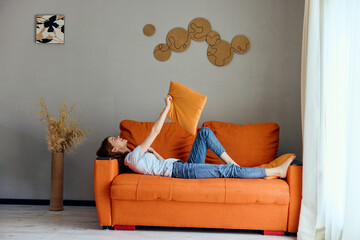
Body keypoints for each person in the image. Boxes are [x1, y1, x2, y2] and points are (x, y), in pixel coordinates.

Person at [96, 95, 296, 179]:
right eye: (115, 139)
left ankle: (232, 162)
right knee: (226, 172)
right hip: (181, 171)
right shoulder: (131, 158)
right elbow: (155, 132)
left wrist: (153, 151)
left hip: (182, 166)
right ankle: (276, 171)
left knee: (205, 133)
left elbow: (157, 163)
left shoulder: (135, 156)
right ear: (114, 150)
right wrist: (167, 108)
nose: (119, 137)